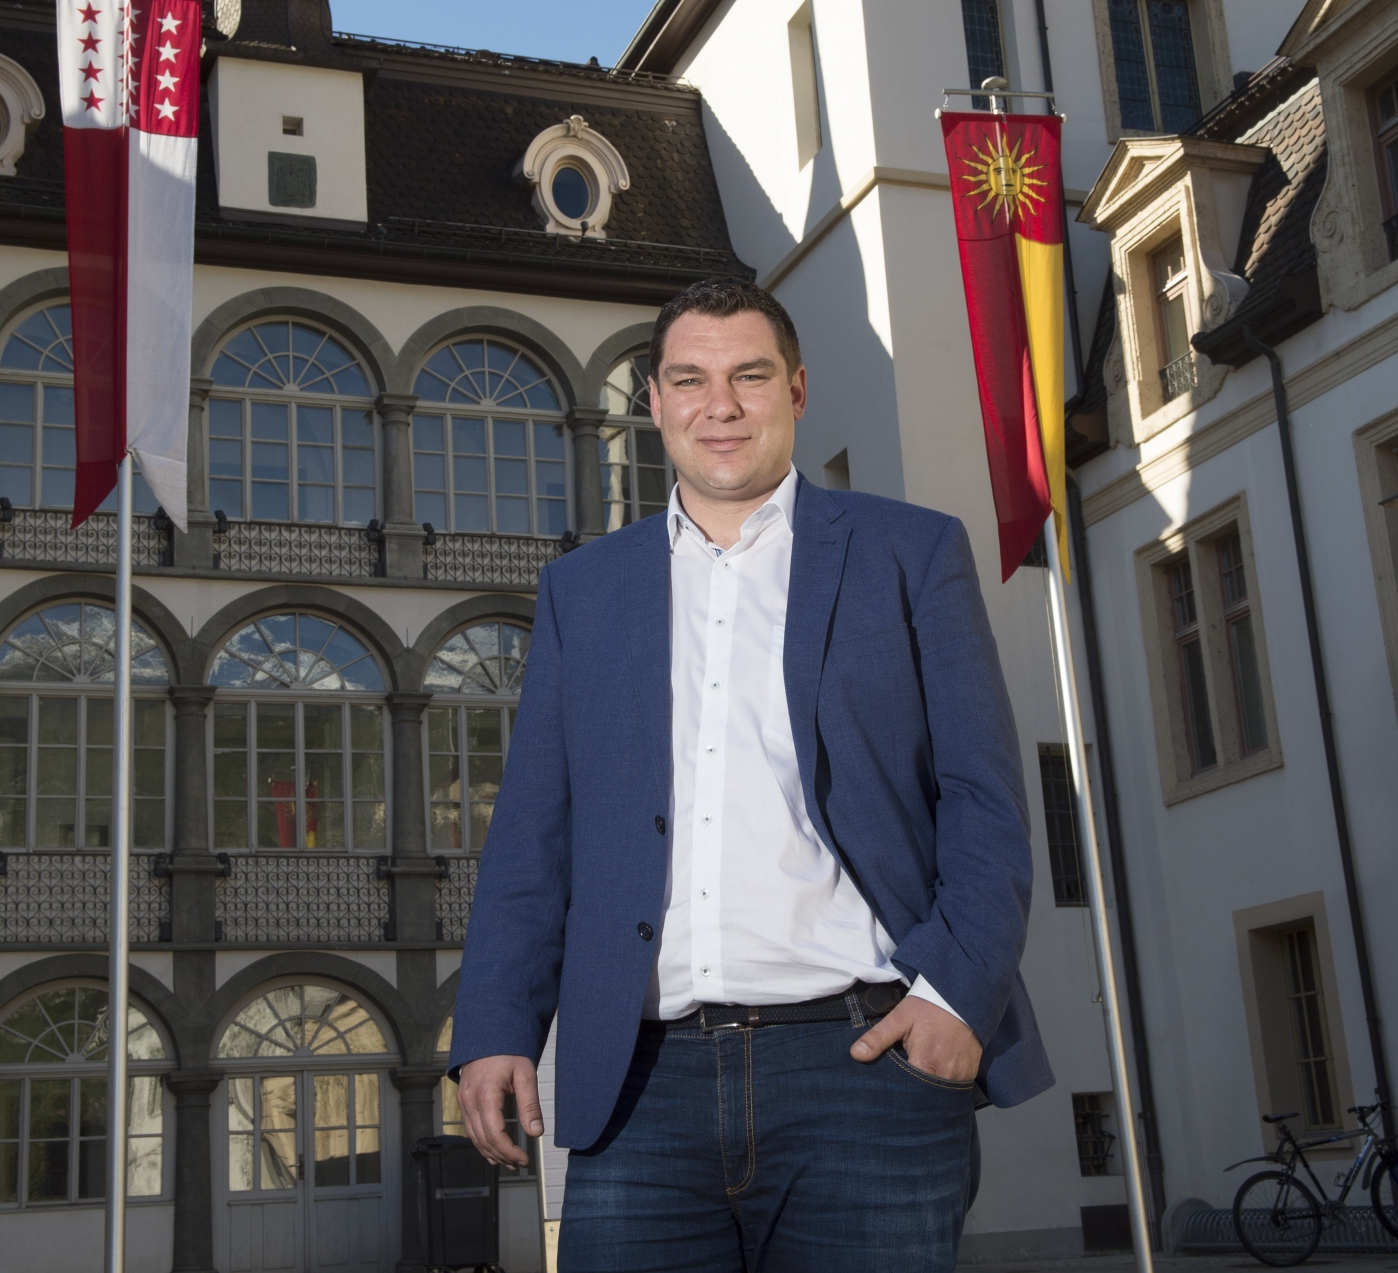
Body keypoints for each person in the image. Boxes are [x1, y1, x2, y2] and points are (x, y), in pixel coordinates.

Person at [449, 277, 1052, 1271]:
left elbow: (983, 799)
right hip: (638, 1083)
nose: (717, 404)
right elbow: (531, 836)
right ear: (652, 401)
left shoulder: (909, 552)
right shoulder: (581, 591)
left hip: (864, 1067)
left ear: (798, 389)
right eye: (687, 378)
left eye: (747, 375)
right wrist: (494, 1024)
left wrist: (954, 999)